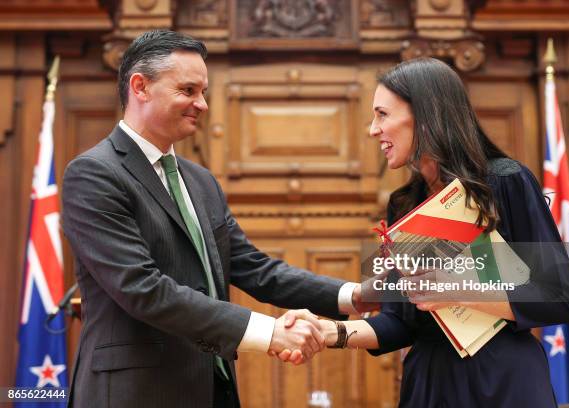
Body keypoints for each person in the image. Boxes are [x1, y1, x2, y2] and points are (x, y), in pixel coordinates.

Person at [61, 29, 376, 408]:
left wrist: (353, 296)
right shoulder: (94, 174)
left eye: (203, 92)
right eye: (188, 91)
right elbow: (142, 288)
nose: (203, 104)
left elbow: (253, 268)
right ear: (140, 87)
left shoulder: (200, 180)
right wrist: (270, 331)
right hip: (138, 393)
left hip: (213, 390)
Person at [277, 58, 569, 407]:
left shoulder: (504, 181)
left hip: (504, 380)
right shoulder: (403, 204)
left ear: (425, 114)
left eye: (382, 115)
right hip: (429, 385)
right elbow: (398, 322)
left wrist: (458, 290)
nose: (373, 130)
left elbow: (559, 297)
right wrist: (330, 331)